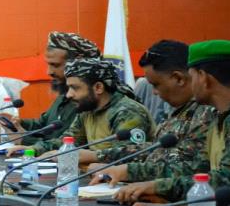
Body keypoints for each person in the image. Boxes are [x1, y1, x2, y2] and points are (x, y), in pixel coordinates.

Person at [114, 39, 230, 204]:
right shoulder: (221, 116)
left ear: (203, 78)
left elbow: (223, 180)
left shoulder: (211, 114)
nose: (190, 84)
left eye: (192, 76)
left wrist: (156, 187)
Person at [87, 40, 214, 186]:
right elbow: (153, 151)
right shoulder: (180, 111)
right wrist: (100, 157)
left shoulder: (207, 113)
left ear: (178, 78)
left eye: (156, 84)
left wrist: (128, 172)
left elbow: (194, 169)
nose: (153, 92)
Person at [10, 58, 154, 156]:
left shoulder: (127, 111)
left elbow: (131, 154)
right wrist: (33, 149)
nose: (68, 95)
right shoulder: (87, 110)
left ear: (98, 87)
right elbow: (67, 141)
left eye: (75, 88)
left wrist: (88, 156)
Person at [0, 31, 100, 147]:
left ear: (78, 63)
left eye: (55, 65)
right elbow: (45, 124)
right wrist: (19, 122)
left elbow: (66, 144)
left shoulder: (87, 100)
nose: (49, 72)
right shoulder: (65, 94)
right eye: (48, 64)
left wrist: (25, 140)